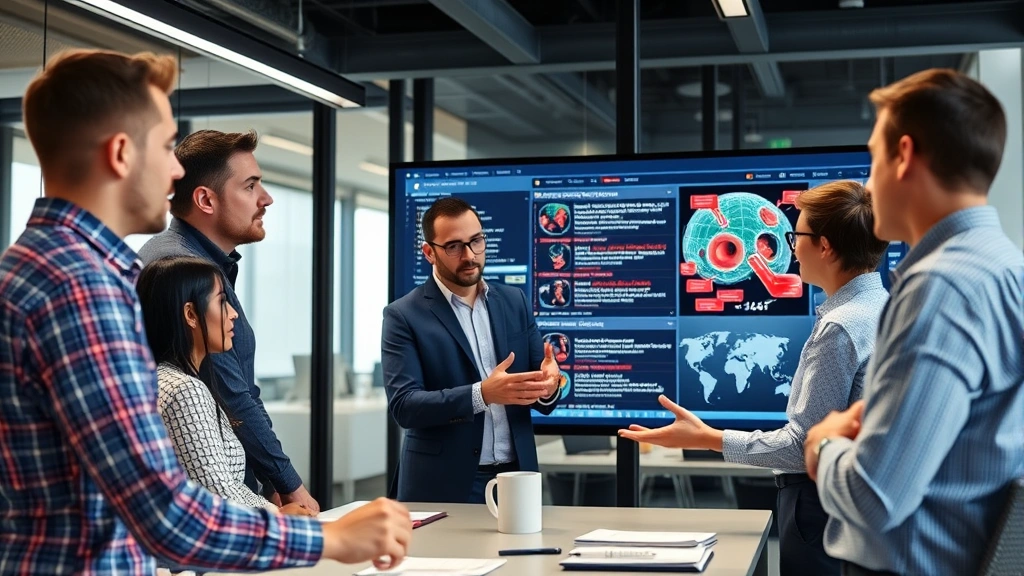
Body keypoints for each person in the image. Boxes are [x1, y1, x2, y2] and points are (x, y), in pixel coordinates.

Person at [0, 48, 411, 574]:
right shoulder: (82, 288)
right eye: (167, 146)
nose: (175, 170)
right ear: (122, 153)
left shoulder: (44, 266)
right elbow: (165, 514)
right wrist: (328, 540)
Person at [803, 69, 1024, 576]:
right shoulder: (1007, 268)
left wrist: (824, 444)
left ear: (904, 155)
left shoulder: (941, 287)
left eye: (873, 156)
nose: (867, 179)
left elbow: (875, 497)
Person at [619, 180, 889, 576]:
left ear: (826, 246)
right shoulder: (885, 308)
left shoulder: (840, 329)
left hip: (819, 508)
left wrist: (709, 439)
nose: (790, 245)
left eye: (796, 234)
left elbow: (803, 448)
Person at [138, 129, 319, 513]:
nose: (266, 199)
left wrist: (269, 482)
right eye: (251, 186)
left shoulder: (183, 259)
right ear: (205, 199)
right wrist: (289, 488)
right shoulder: (182, 270)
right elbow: (233, 393)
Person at [382, 197, 562, 503]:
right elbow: (405, 406)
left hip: (516, 478)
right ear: (429, 252)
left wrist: (548, 385)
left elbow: (540, 389)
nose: (469, 255)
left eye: (476, 241)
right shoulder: (403, 315)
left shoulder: (514, 301)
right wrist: (482, 394)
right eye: (453, 246)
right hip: (442, 482)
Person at [138, 256, 314, 516]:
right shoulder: (184, 390)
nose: (233, 314)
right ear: (190, 314)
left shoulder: (168, 380)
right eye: (222, 302)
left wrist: (276, 509)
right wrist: (280, 515)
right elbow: (219, 497)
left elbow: (229, 485)